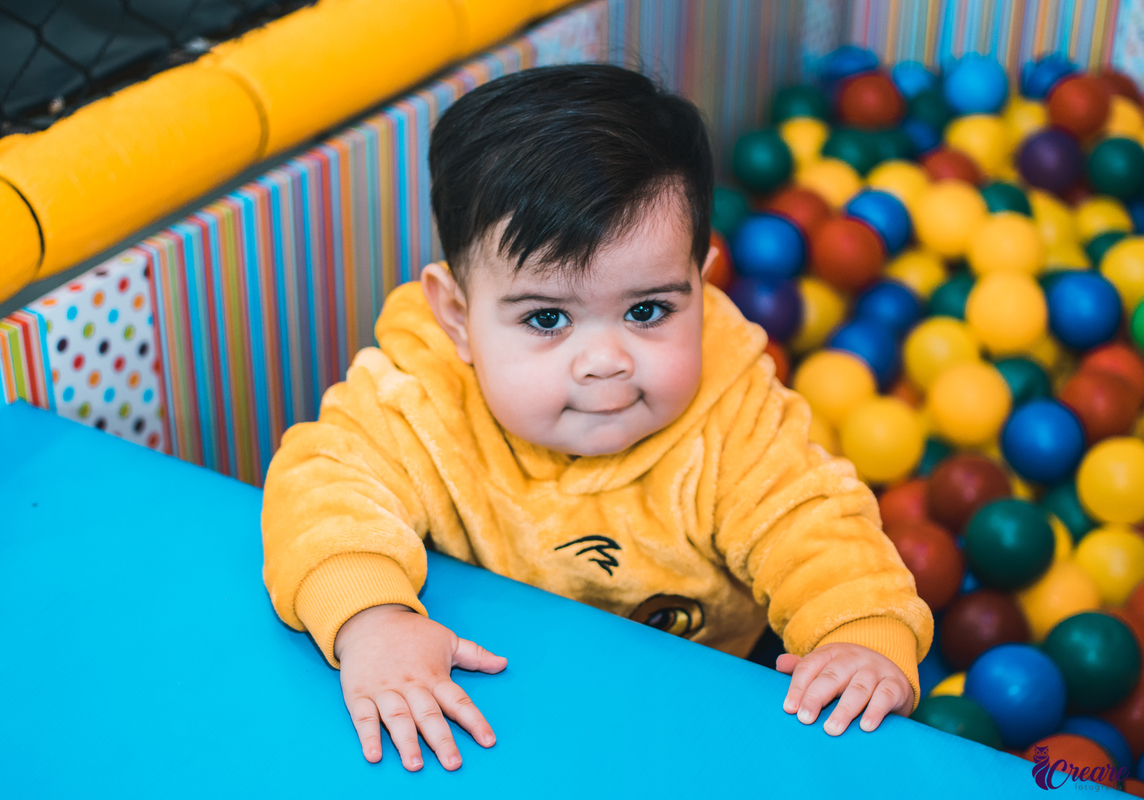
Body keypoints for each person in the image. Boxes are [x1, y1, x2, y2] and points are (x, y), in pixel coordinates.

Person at [260, 63, 933, 773]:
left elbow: (814, 523)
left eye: (648, 311)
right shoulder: (422, 395)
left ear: (700, 287)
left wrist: (860, 634)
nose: (606, 360)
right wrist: (374, 619)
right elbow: (324, 482)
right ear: (457, 317)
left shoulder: (730, 416)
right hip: (496, 712)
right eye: (548, 318)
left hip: (695, 708)